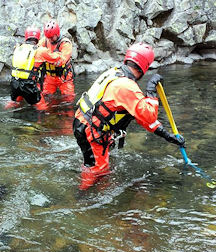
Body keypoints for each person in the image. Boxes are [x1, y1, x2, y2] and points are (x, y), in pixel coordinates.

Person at [73, 42, 185, 189]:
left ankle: (90, 180)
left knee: (94, 163)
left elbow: (139, 115)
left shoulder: (115, 72)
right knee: (98, 170)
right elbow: (148, 115)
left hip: (82, 121)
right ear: (145, 67)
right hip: (91, 130)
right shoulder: (127, 87)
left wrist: (165, 135)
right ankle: (82, 198)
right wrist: (151, 91)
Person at [6, 26, 64, 109]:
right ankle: (42, 121)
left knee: (14, 102)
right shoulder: (40, 50)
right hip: (28, 85)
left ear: (26, 37)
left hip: (15, 82)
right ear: (38, 38)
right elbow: (55, 58)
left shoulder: (18, 48)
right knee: (42, 108)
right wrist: (59, 53)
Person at [35, 19, 75, 109]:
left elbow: (61, 60)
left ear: (57, 34)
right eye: (48, 37)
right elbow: (36, 51)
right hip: (49, 77)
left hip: (64, 77)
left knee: (69, 100)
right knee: (46, 97)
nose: (50, 39)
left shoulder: (65, 43)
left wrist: (45, 55)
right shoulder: (44, 41)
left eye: (52, 37)